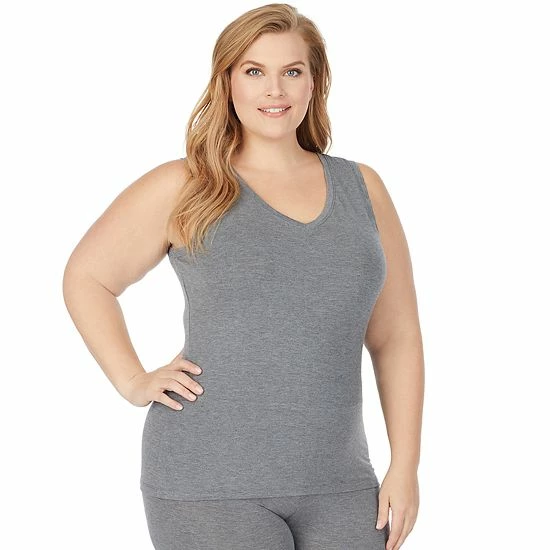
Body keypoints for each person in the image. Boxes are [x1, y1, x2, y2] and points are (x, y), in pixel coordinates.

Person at [63, 3, 424, 549]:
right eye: (254, 71)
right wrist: (132, 379)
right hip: (207, 484)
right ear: (227, 81)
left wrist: (406, 465)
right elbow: (87, 277)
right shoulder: (186, 186)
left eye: (291, 71)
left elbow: (396, 335)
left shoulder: (363, 188)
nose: (274, 89)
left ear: (314, 82)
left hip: (343, 484)